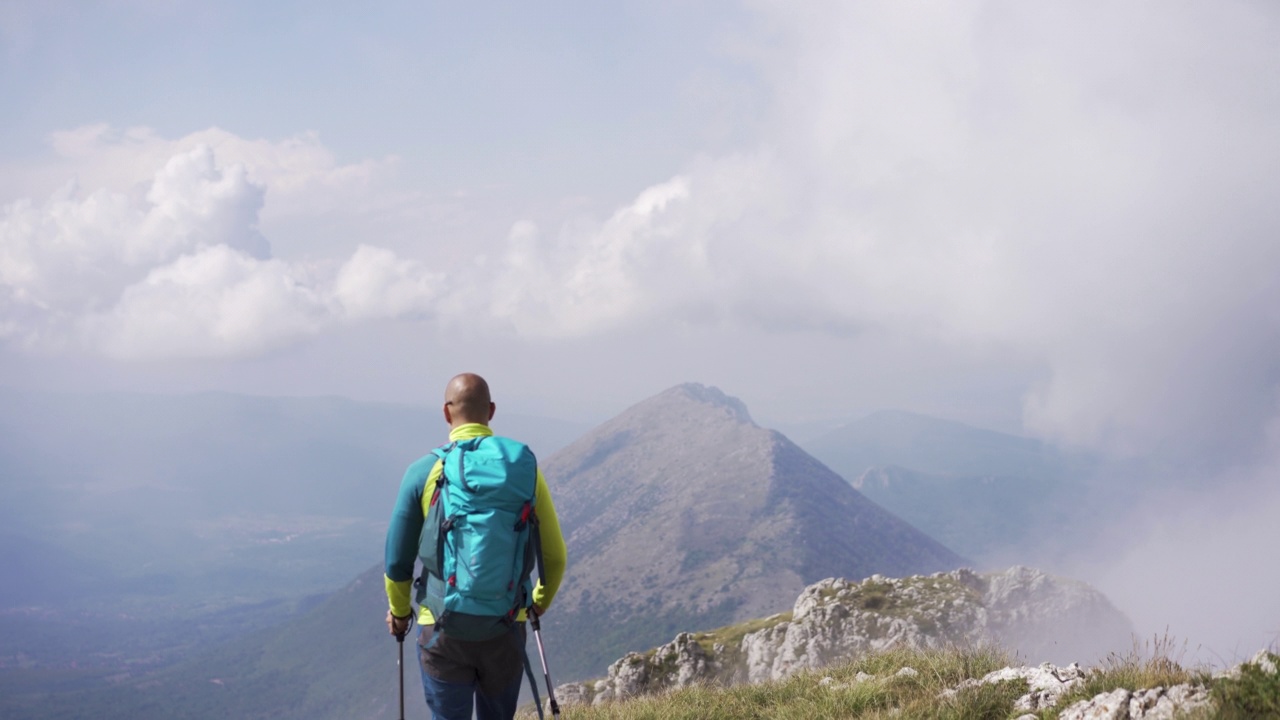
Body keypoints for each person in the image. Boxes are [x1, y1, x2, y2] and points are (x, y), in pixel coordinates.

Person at [383, 373, 567, 720]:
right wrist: (538, 602)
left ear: (446, 412)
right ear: (491, 411)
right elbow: (555, 556)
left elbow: (397, 562)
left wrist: (399, 612)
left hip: (442, 628)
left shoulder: (425, 471)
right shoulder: (523, 470)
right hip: (506, 621)